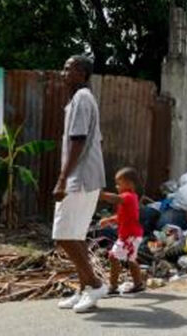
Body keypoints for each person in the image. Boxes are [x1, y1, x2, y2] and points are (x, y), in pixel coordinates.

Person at [54, 55, 108, 313]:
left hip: (80, 178)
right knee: (74, 235)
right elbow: (97, 140)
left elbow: (78, 139)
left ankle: (95, 284)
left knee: (63, 234)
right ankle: (84, 288)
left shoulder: (82, 99)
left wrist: (62, 179)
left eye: (69, 69)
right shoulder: (83, 99)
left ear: (82, 73)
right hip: (85, 176)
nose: (63, 73)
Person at [99, 167, 145, 295]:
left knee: (114, 256)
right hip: (129, 235)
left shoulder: (128, 196)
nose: (116, 186)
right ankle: (137, 284)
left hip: (130, 236)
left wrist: (101, 195)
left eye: (119, 184)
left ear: (129, 184)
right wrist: (109, 220)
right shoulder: (131, 198)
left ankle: (113, 286)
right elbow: (122, 217)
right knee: (130, 259)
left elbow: (115, 198)